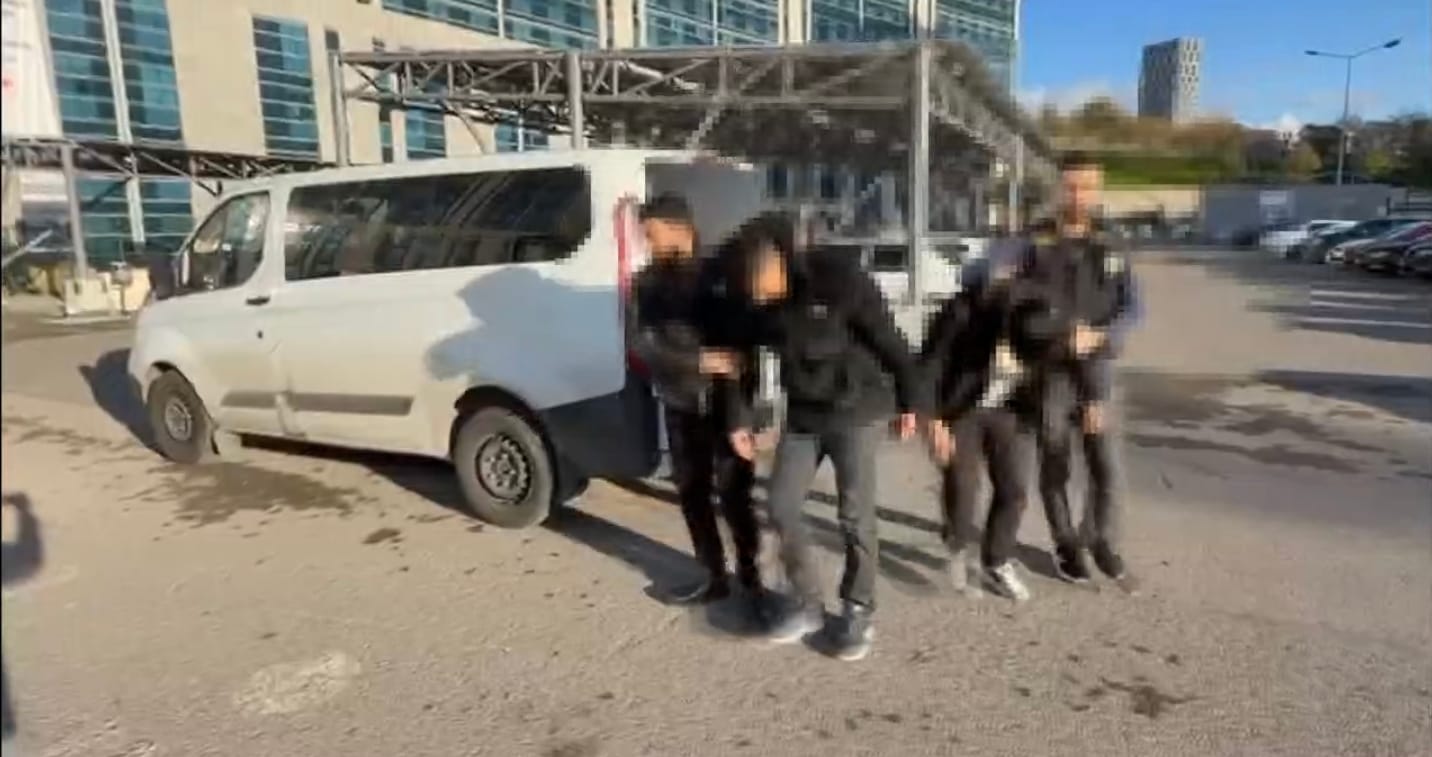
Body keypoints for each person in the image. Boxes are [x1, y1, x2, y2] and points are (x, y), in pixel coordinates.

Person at [722, 213, 925, 662]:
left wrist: (912, 402)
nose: (755, 292)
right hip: (804, 416)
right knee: (780, 505)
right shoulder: (756, 304)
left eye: (760, 278)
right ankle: (806, 602)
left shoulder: (839, 280)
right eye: (748, 283)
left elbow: (890, 341)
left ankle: (858, 609)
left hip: (858, 411)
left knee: (854, 514)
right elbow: (742, 362)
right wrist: (739, 420)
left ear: (782, 258)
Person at [629, 193, 766, 607]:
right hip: (680, 401)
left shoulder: (720, 275)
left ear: (679, 229)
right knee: (692, 492)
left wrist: (742, 415)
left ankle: (752, 580)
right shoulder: (647, 282)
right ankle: (712, 576)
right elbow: (641, 343)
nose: (648, 243)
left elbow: (744, 347)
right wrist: (699, 359)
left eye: (652, 234)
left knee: (735, 495)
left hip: (727, 405)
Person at [1019, 154, 1140, 585]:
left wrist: (1102, 335)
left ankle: (1101, 539)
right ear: (1058, 188)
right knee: (1055, 467)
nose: (1078, 195)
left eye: (1087, 187)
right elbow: (1017, 305)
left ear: (1097, 189)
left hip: (1099, 372)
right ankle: (1066, 545)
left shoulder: (1113, 240)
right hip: (1051, 374)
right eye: (1071, 187)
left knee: (1107, 468)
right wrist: (1059, 332)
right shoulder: (1035, 241)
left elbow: (1132, 307)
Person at [919, 244, 1049, 602]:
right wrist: (933, 420)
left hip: (1009, 409)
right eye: (1004, 273)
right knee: (963, 486)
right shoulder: (960, 311)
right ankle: (958, 547)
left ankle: (997, 560)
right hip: (961, 409)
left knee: (1014, 489)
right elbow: (929, 365)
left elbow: (1057, 361)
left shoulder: (1038, 313)